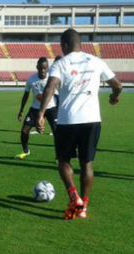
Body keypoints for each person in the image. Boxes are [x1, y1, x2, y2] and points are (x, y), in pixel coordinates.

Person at [37, 28, 122, 220]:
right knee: (87, 164)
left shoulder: (61, 63)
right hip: (92, 120)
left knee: (63, 161)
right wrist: (114, 97)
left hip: (68, 121)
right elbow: (117, 85)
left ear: (64, 45)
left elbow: (50, 86)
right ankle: (84, 206)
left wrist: (41, 113)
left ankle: (73, 196)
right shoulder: (96, 61)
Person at [15, 57, 57, 160]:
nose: (42, 71)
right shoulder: (31, 80)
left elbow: (59, 96)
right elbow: (26, 95)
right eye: (40, 68)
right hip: (35, 109)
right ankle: (26, 151)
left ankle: (59, 156)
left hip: (51, 108)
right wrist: (21, 110)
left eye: (45, 68)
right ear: (37, 67)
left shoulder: (52, 79)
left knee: (57, 132)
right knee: (24, 131)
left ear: (47, 68)